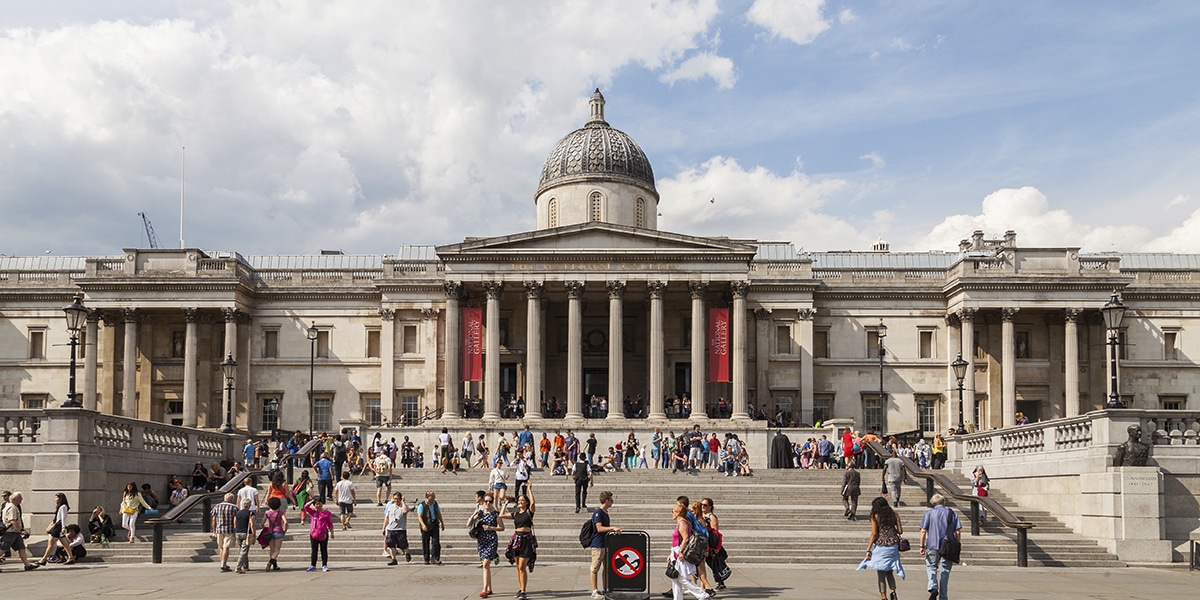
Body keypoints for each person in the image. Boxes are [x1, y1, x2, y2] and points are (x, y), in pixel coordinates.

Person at [857, 497, 906, 600]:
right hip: (893, 546)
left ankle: (883, 597)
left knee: (881, 572)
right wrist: (897, 521)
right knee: (889, 572)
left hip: (881, 546)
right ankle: (893, 592)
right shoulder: (894, 514)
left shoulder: (875, 516)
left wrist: (868, 549)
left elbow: (874, 534)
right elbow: (900, 531)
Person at [920, 494, 962, 600]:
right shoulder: (952, 514)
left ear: (933, 504)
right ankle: (943, 597)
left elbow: (923, 531)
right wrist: (957, 543)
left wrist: (922, 546)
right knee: (945, 571)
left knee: (931, 566)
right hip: (948, 546)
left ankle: (933, 586)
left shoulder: (929, 513)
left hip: (932, 545)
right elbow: (957, 531)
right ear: (944, 502)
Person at [500, 484, 537, 599]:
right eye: (519, 500)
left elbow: (533, 504)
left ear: (526, 502)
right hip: (516, 539)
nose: (520, 502)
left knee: (522, 567)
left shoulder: (529, 512)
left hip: (526, 539)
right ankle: (521, 589)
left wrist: (530, 490)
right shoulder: (515, 514)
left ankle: (523, 590)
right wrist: (505, 504)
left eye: (522, 500)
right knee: (517, 567)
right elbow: (501, 515)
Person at [668, 501, 710, 600]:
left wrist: (680, 552)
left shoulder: (682, 523)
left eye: (673, 511)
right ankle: (678, 598)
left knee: (680, 577)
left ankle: (702, 595)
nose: (672, 513)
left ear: (678, 513)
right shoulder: (680, 522)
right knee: (675, 578)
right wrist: (671, 554)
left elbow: (685, 538)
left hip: (680, 551)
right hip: (675, 551)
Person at [588, 491, 622, 598]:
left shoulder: (605, 512)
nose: (613, 502)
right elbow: (599, 528)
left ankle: (606, 588)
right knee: (595, 567)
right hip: (598, 544)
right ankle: (594, 590)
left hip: (606, 543)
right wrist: (612, 527)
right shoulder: (598, 512)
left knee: (607, 567)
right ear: (606, 501)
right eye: (611, 500)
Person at [470, 491, 503, 598]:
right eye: (486, 501)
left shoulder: (495, 513)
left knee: (485, 565)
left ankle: (484, 589)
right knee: (486, 566)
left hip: (491, 540)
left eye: (490, 501)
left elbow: (502, 528)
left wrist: (491, 528)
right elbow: (468, 523)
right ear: (483, 502)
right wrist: (474, 515)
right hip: (481, 540)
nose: (488, 503)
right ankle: (489, 588)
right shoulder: (480, 512)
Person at [0, 492, 38, 570]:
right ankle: (27, 565)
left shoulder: (11, 506)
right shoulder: (12, 507)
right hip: (10, 532)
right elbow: (13, 520)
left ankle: (27, 565)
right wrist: (22, 530)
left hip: (15, 532)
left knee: (21, 548)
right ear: (14, 499)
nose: (21, 499)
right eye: (20, 498)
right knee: (3, 549)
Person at [37, 492, 74, 565]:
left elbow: (63, 518)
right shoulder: (60, 506)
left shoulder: (63, 507)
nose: (55, 499)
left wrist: (63, 527)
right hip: (59, 526)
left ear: (60, 498)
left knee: (51, 542)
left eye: (56, 497)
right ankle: (70, 557)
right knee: (64, 543)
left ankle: (44, 559)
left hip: (59, 527)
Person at [699, 498, 727, 591]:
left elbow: (715, 533)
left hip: (711, 545)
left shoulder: (712, 517)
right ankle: (705, 584)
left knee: (713, 564)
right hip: (703, 543)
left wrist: (716, 547)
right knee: (706, 564)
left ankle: (720, 582)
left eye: (705, 505)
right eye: (701, 504)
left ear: (710, 506)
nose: (703, 506)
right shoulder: (700, 516)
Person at [301, 497, 335, 572]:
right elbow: (305, 507)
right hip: (313, 533)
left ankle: (324, 565)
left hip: (323, 534)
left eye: (320, 503)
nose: (318, 505)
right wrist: (312, 501)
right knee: (314, 550)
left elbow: (330, 523)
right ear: (314, 505)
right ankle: (313, 565)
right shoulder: (313, 512)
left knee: (324, 549)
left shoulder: (327, 513)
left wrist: (332, 532)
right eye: (316, 504)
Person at [210, 492, 238, 572]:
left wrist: (214, 530)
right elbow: (235, 518)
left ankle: (222, 562)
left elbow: (214, 519)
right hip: (229, 529)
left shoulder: (217, 506)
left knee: (221, 547)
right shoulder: (234, 507)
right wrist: (235, 527)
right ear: (232, 499)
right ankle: (223, 563)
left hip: (219, 529)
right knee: (226, 547)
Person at [382, 491, 412, 565]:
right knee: (391, 545)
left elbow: (405, 511)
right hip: (391, 529)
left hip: (400, 529)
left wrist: (403, 502)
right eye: (395, 498)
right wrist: (384, 527)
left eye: (397, 499)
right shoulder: (390, 507)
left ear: (400, 499)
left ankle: (407, 552)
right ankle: (394, 559)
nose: (396, 500)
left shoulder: (403, 506)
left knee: (403, 544)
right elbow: (387, 518)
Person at [417, 490, 444, 565]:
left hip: (434, 524)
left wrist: (442, 522)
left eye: (434, 496)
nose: (434, 497)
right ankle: (426, 559)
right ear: (427, 497)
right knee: (425, 542)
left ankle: (435, 558)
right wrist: (423, 525)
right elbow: (419, 516)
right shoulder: (422, 505)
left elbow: (438, 513)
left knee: (436, 542)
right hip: (426, 525)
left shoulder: (435, 504)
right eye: (432, 496)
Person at [261, 496, 287, 571]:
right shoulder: (281, 512)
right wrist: (285, 530)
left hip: (270, 531)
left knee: (272, 549)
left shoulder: (267, 512)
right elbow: (285, 522)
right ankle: (270, 562)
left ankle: (274, 565)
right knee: (277, 550)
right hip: (278, 531)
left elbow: (262, 523)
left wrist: (265, 528)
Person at [233, 497, 255, 573]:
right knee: (244, 551)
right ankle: (238, 567)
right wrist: (254, 534)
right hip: (246, 533)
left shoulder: (237, 513)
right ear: (249, 505)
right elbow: (252, 524)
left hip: (238, 532)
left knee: (243, 550)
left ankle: (246, 566)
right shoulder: (250, 513)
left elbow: (234, 523)